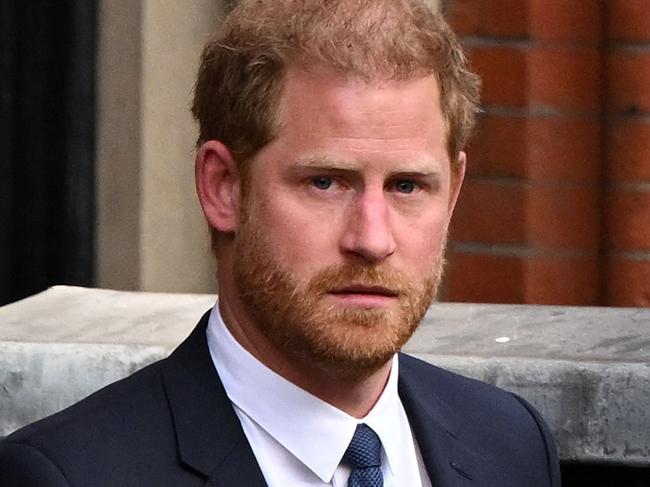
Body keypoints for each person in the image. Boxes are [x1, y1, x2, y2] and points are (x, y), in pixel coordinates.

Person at [0, 0, 561, 485]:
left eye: (407, 186)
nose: (372, 239)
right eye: (325, 182)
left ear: (453, 191)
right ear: (223, 188)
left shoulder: (510, 445)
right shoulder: (74, 475)